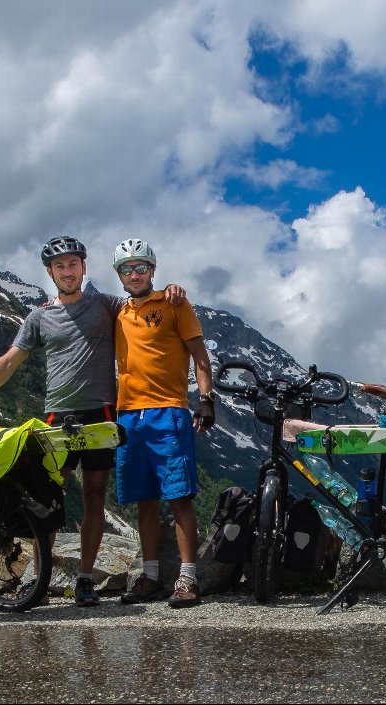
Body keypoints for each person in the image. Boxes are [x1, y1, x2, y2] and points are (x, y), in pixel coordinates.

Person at [0, 235, 184, 607]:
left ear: (84, 268)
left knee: (93, 497)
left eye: (73, 264)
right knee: (46, 499)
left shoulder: (106, 304)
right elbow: (10, 360)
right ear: (50, 272)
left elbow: (142, 297)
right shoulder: (39, 316)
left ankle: (84, 579)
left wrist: (169, 289)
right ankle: (39, 580)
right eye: (59, 266)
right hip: (57, 417)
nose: (67, 272)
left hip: (101, 413)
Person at [111, 238, 215, 609]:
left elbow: (199, 355)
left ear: (153, 270)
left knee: (179, 497)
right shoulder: (117, 313)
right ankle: (151, 576)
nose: (135, 274)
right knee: (144, 500)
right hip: (128, 416)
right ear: (119, 275)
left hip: (168, 411)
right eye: (127, 268)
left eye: (141, 267)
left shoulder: (174, 303)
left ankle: (187, 578)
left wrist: (205, 400)